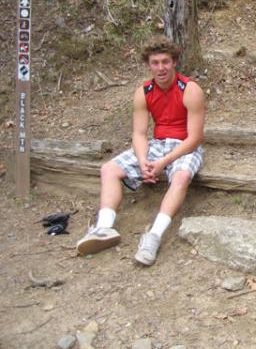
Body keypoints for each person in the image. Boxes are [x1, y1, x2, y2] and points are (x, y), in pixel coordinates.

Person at [76, 37, 206, 266]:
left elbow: (195, 137)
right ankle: (104, 228)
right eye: (155, 63)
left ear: (174, 62)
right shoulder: (143, 92)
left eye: (165, 62)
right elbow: (139, 133)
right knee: (109, 169)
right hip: (157, 144)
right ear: (149, 65)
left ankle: (154, 235)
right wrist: (144, 160)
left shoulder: (190, 89)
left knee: (181, 176)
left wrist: (163, 162)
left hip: (184, 145)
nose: (161, 68)